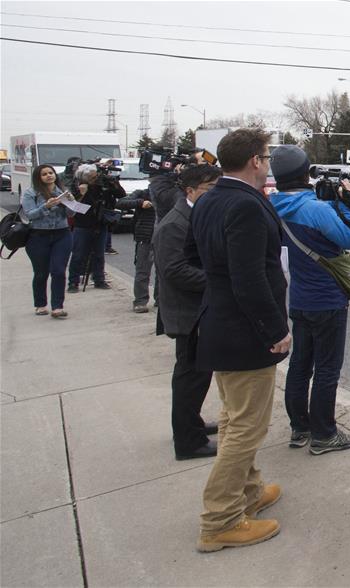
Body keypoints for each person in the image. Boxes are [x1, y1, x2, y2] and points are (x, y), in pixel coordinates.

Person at [187, 128, 291, 553]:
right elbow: (247, 277)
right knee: (248, 427)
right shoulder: (246, 206)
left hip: (220, 325)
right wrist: (276, 330)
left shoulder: (209, 198)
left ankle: (247, 491)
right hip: (245, 331)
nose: (267, 163)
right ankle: (220, 520)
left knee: (233, 418)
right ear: (254, 161)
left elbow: (202, 260)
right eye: (265, 156)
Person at [269, 145, 350, 455]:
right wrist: (347, 203)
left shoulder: (271, 206)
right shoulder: (317, 209)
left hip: (298, 299)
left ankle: (300, 428)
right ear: (307, 173)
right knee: (326, 369)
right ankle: (324, 434)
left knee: (299, 365)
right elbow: (349, 238)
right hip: (327, 300)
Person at [152, 164, 223, 460]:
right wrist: (218, 279)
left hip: (199, 311)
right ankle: (188, 441)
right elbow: (174, 271)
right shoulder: (174, 224)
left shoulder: (196, 215)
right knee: (190, 377)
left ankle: (191, 423)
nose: (213, 195)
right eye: (208, 190)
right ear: (190, 190)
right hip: (187, 313)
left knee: (198, 375)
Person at [21, 165, 74, 319]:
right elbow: (30, 215)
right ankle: (40, 304)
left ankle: (57, 307)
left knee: (58, 271)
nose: (49, 176)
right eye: (44, 174)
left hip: (62, 234)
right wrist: (46, 206)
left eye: (51, 173)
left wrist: (70, 202)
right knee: (41, 272)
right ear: (38, 177)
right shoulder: (31, 193)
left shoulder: (62, 192)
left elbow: (72, 213)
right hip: (38, 236)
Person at [66, 163, 124, 292]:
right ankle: (73, 282)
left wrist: (114, 183)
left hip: (101, 223)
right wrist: (81, 193)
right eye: (91, 178)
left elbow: (121, 194)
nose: (95, 180)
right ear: (83, 178)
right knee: (78, 254)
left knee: (99, 254)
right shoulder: (77, 186)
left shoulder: (103, 185)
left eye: (95, 176)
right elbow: (71, 207)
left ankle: (99, 279)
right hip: (83, 224)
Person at [115, 188, 156, 312]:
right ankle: (140, 301)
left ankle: (161, 299)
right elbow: (121, 203)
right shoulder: (143, 193)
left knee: (164, 272)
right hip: (145, 236)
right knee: (142, 270)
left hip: (164, 236)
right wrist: (140, 203)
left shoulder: (171, 193)